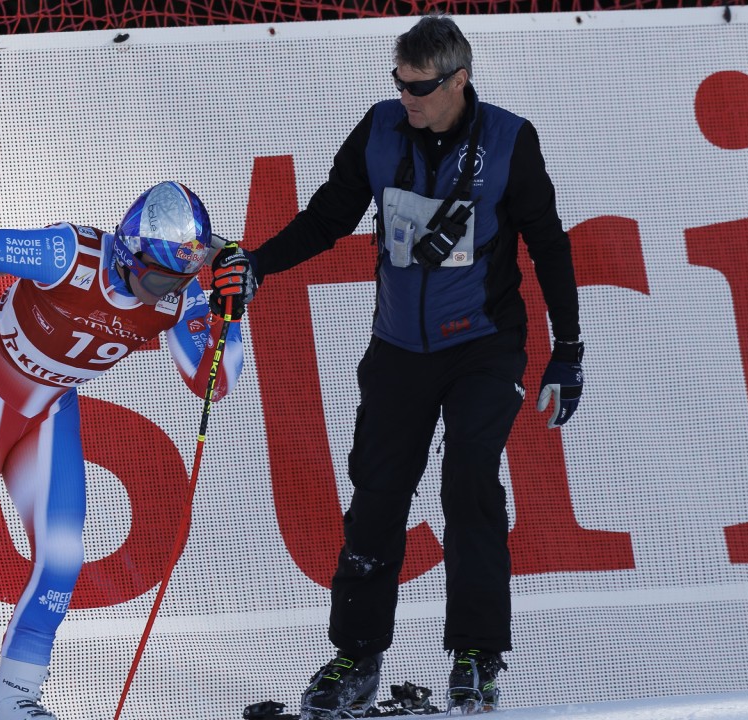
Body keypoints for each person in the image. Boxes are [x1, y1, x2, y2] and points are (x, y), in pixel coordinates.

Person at [223, 14, 584, 717]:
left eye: (420, 87)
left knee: (469, 479)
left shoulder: (509, 140)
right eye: (400, 82)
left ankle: (477, 653)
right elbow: (328, 216)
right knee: (377, 495)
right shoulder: (381, 128)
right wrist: (259, 264)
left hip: (483, 343)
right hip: (398, 348)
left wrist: (567, 352)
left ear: (459, 80)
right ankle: (357, 656)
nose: (407, 98)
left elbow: (549, 244)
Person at [0, 181, 249, 720]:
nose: (165, 291)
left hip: (50, 409)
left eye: (180, 280)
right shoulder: (72, 253)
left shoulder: (179, 293)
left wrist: (231, 314)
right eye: (158, 279)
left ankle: (16, 699)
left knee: (63, 558)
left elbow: (211, 382)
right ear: (128, 255)